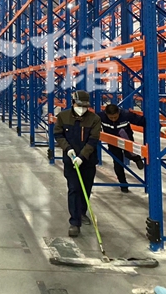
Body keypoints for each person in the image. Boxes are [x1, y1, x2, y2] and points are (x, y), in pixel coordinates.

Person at [53, 90, 101, 238]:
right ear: (73, 103)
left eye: (85, 106)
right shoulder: (63, 116)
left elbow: (93, 140)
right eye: (80, 105)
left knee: (86, 188)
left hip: (88, 161)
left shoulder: (94, 119)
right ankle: (74, 222)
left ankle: (81, 212)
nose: (82, 109)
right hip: (70, 161)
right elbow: (58, 134)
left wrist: (82, 156)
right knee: (74, 189)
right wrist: (67, 149)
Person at [98, 104, 166, 193]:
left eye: (115, 117)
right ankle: (123, 185)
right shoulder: (101, 116)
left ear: (118, 112)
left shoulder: (126, 115)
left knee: (129, 154)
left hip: (127, 139)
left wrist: (159, 127)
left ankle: (136, 158)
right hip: (113, 142)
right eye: (111, 118)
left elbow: (143, 121)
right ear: (106, 114)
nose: (113, 119)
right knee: (117, 163)